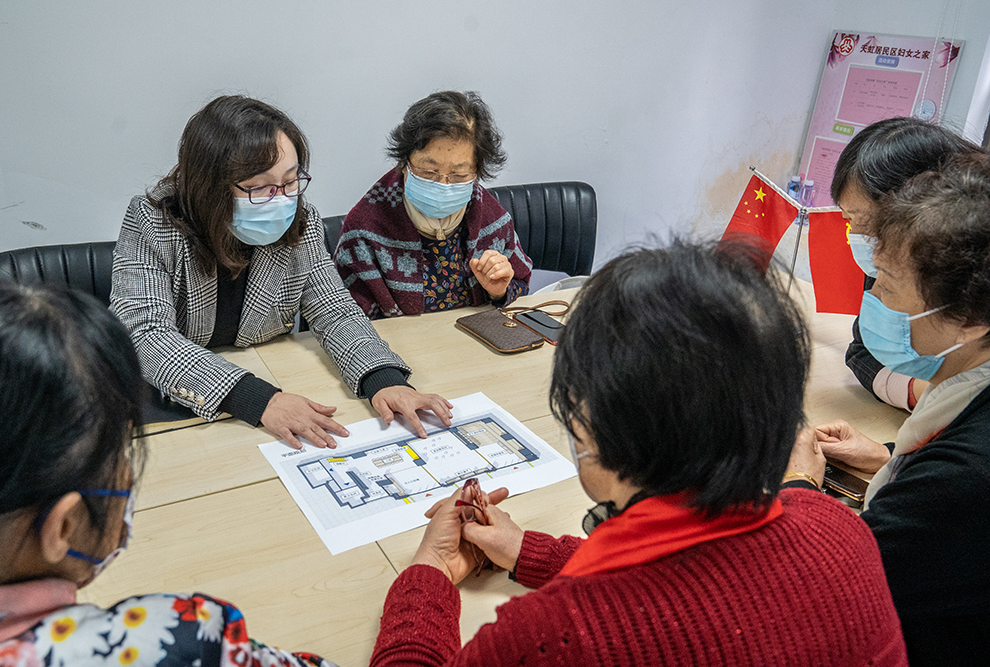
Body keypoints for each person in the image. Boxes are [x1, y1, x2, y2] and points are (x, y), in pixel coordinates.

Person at [368, 243, 907, 666]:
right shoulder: (840, 530)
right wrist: (526, 550)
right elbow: (700, 582)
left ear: (590, 429)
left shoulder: (555, 637)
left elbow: (651, 609)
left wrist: (429, 570)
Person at [0, 280, 338, 666]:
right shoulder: (177, 642)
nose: (127, 468)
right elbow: (147, 334)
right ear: (64, 527)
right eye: (120, 452)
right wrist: (421, 570)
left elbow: (332, 303)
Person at [110, 95, 452, 449]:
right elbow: (145, 334)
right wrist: (261, 400)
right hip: (183, 408)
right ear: (208, 187)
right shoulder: (152, 222)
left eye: (291, 182)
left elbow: (334, 310)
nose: (282, 199)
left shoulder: (301, 221)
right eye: (260, 187)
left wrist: (385, 379)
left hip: (267, 391)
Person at [787, 153, 990, 665]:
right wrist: (889, 456)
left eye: (891, 285)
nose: (874, 298)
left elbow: (827, 588)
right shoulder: (967, 392)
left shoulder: (966, 476)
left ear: (970, 318)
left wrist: (799, 487)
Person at [334, 91, 532, 319]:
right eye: (429, 172)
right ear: (404, 161)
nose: (443, 185)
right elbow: (343, 319)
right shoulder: (364, 229)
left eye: (458, 175)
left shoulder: (491, 217)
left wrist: (499, 292)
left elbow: (522, 288)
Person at [831, 116, 982, 411]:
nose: (861, 239)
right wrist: (922, 393)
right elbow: (861, 351)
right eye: (849, 220)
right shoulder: (889, 260)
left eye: (872, 223)